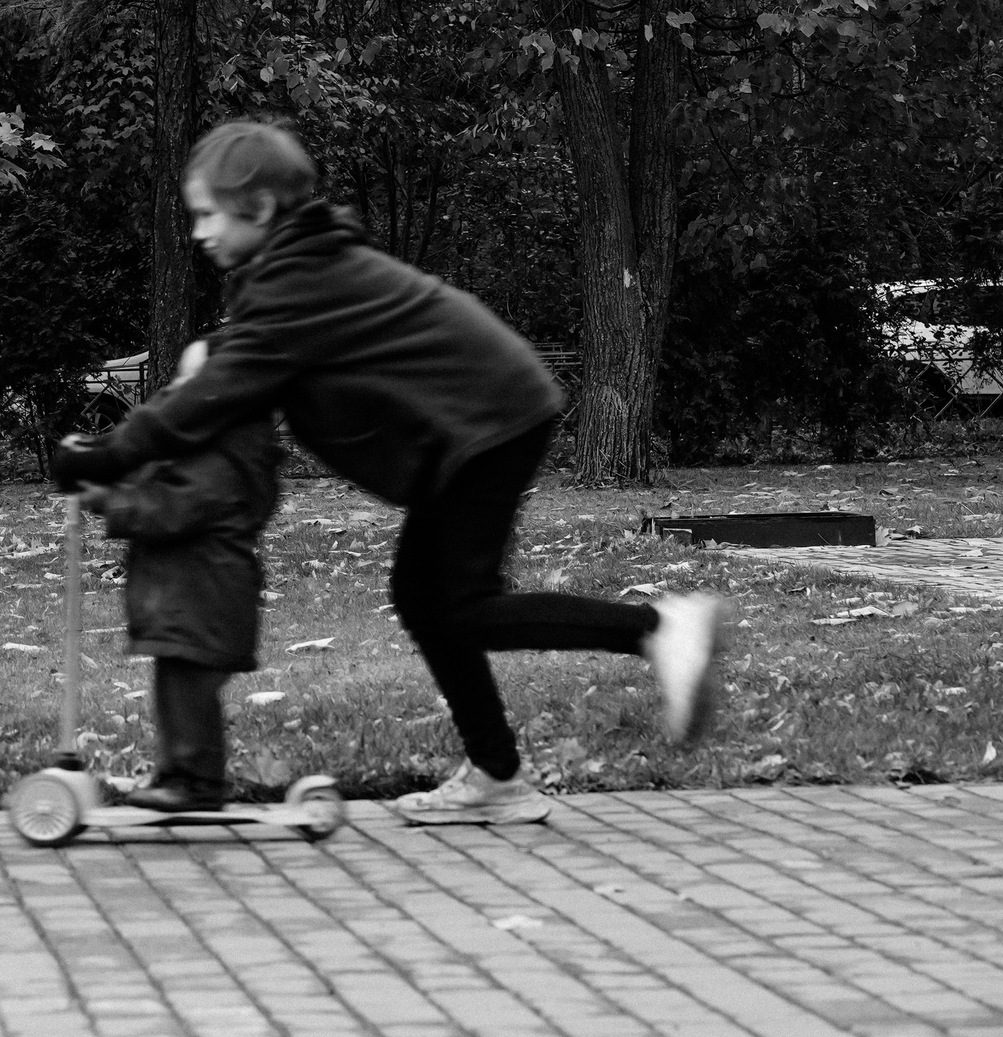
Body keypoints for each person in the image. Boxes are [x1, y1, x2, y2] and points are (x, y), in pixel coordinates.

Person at [51, 120, 727, 826]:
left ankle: (657, 627)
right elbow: (225, 382)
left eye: (207, 214)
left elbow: (206, 398)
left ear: (257, 209)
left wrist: (102, 455)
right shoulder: (293, 268)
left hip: (486, 416)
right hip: (474, 420)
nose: (197, 232)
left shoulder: (294, 280)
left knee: (457, 603)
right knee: (424, 595)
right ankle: (497, 772)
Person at [56, 340, 281, 812]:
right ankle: (182, 773)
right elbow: (159, 483)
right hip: (190, 598)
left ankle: (196, 782)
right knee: (180, 689)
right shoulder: (205, 443)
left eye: (190, 384)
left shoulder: (230, 452)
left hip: (207, 596)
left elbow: (177, 506)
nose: (180, 393)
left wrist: (109, 501)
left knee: (190, 691)